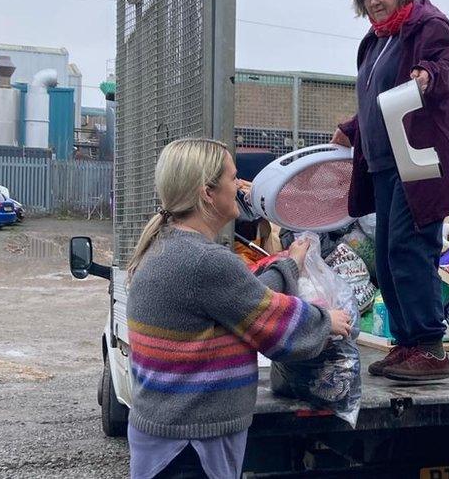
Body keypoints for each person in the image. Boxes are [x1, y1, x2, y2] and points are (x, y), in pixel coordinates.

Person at [124, 138, 351, 478]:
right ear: (207, 193)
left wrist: (290, 266)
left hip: (171, 434)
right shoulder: (203, 260)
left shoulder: (171, 246)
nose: (242, 186)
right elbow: (268, 320)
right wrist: (324, 321)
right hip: (189, 447)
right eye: (233, 178)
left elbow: (243, 299)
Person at [332, 0, 449, 381]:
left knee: (409, 246)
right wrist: (350, 127)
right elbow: (379, 102)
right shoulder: (375, 41)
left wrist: (428, 76)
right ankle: (406, 343)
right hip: (384, 163)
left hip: (420, 161)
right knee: (384, 253)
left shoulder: (425, 25)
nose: (373, 1)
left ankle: (431, 348)